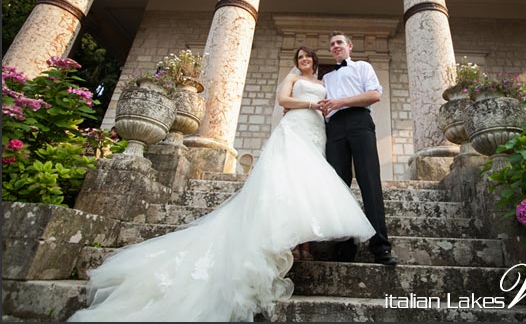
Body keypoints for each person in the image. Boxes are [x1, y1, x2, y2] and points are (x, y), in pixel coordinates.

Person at [67, 46, 375, 322]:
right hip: (295, 127)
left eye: (307, 57)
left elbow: (336, 103)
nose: (304, 60)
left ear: (315, 61)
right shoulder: (293, 79)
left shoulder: (326, 83)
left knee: (307, 183)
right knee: (285, 181)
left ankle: (304, 242)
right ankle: (288, 242)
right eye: (300, 58)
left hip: (317, 132)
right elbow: (282, 100)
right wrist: (309, 106)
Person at [319, 31, 398, 266]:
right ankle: (344, 246)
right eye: (332, 44)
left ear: (349, 46)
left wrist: (341, 102)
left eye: (339, 43)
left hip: (359, 122)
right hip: (334, 129)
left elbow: (375, 95)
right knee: (339, 187)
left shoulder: (363, 67)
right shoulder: (326, 78)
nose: (335, 46)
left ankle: (381, 246)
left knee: (369, 181)